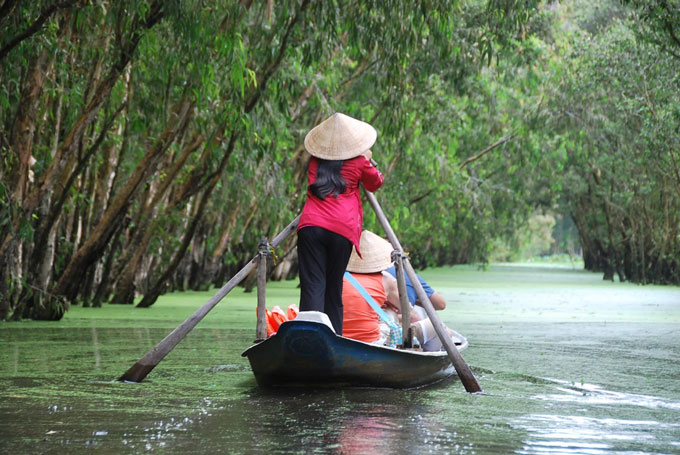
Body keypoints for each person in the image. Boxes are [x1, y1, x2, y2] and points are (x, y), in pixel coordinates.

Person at [297, 113, 384, 335]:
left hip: (311, 226)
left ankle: (310, 335)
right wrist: (367, 158)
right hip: (341, 229)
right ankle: (333, 337)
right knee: (333, 287)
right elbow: (376, 182)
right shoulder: (359, 161)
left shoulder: (316, 161)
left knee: (313, 284)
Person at [341, 230, 401, 344]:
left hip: (338, 337)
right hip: (370, 340)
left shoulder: (336, 277)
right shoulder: (387, 280)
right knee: (390, 313)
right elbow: (407, 312)